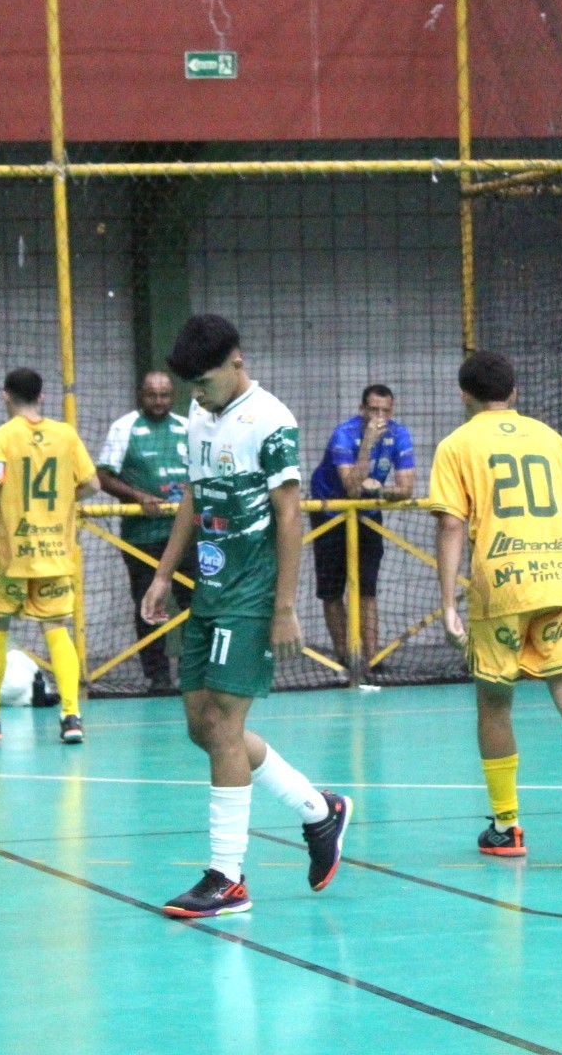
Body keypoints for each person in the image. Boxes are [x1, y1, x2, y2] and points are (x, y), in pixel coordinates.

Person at [144, 314, 351, 917]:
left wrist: (285, 607)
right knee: (202, 727)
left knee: (226, 727)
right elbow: (193, 493)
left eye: (204, 382)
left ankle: (227, 878)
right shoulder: (200, 419)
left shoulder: (271, 420)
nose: (195, 395)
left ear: (237, 363)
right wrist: (163, 574)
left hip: (253, 593)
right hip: (207, 589)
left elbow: (290, 516)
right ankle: (319, 810)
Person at [430, 350, 562, 868]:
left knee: (495, 703)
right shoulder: (550, 438)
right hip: (560, 579)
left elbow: (450, 524)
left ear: (463, 395)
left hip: (501, 584)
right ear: (513, 393)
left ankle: (506, 825)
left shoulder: (456, 445)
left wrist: (448, 601)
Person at [0, 369, 98, 744]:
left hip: (9, 556)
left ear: (6, 396)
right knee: (57, 631)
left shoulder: (0, 438)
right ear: (43, 395)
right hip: (54, 552)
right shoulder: (66, 435)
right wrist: (65, 501)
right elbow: (92, 484)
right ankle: (71, 716)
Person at [97, 371, 193, 694]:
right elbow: (103, 476)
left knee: (197, 600)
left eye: (165, 395)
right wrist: (138, 496)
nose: (159, 401)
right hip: (143, 537)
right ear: (141, 395)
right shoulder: (124, 428)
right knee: (149, 604)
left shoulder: (187, 427)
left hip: (187, 534)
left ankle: (194, 670)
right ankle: (158, 676)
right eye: (152, 395)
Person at [310, 384, 417, 673]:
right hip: (330, 512)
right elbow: (353, 490)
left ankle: (371, 659)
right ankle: (346, 657)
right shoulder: (343, 435)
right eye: (374, 410)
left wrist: (381, 491)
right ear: (362, 410)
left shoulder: (400, 434)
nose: (380, 416)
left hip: (367, 513)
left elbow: (406, 488)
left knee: (366, 588)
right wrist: (368, 443)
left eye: (386, 410)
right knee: (331, 590)